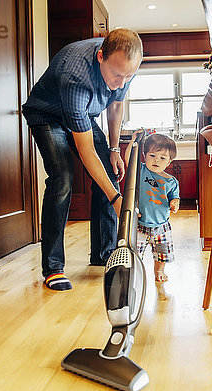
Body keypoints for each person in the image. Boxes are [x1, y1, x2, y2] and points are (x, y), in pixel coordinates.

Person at [22, 29, 143, 291]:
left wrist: (113, 149)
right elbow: (86, 152)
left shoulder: (125, 65)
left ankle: (104, 253)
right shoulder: (75, 76)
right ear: (101, 57)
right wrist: (116, 199)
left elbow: (116, 105)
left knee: (109, 174)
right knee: (62, 178)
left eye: (128, 76)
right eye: (117, 75)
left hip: (82, 115)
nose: (121, 83)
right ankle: (53, 267)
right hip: (47, 115)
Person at [125, 133, 180, 282]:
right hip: (140, 225)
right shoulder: (141, 171)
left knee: (162, 253)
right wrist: (133, 141)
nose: (157, 160)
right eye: (152, 155)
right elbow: (129, 158)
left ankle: (159, 271)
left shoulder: (171, 182)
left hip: (162, 226)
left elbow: (175, 197)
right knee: (135, 253)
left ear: (169, 162)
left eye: (162, 158)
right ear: (144, 156)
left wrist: (174, 203)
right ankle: (135, 272)